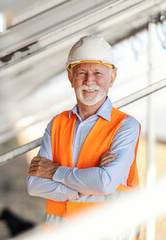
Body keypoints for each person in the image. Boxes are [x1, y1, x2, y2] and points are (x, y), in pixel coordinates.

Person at [27, 35, 141, 239]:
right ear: (70, 78)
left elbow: (105, 183)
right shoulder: (57, 124)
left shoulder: (125, 126)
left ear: (112, 78)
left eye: (98, 73)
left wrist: (54, 172)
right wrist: (90, 178)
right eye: (82, 73)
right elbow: (34, 185)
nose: (89, 81)